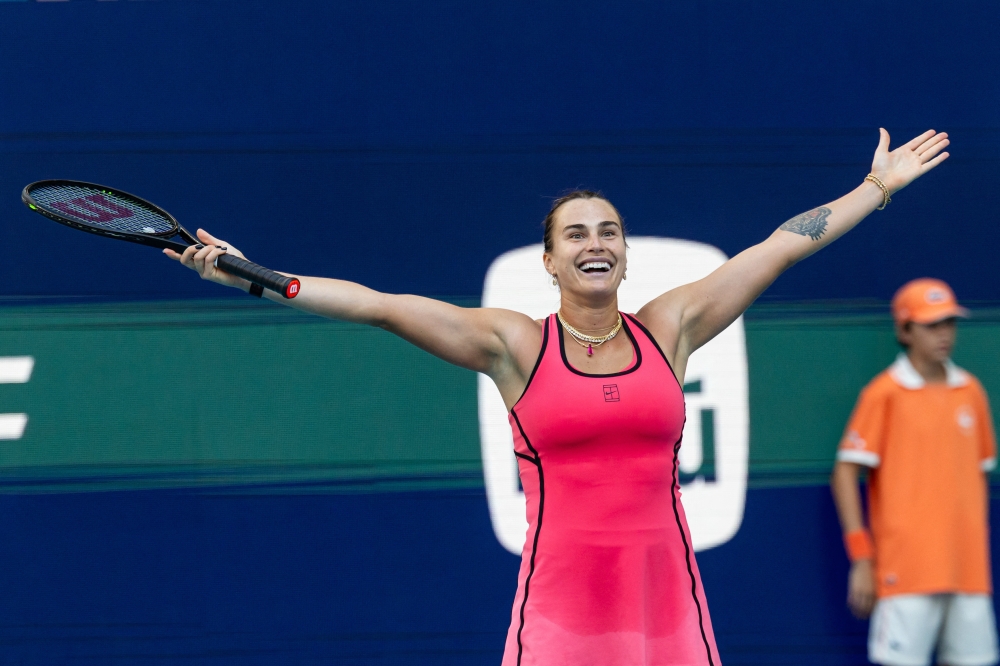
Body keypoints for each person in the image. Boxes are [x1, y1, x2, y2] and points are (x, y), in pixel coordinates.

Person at [167, 129, 948, 665]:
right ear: (549, 260)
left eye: (608, 231)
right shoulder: (514, 344)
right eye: (576, 234)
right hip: (560, 613)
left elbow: (779, 247)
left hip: (667, 606)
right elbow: (378, 302)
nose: (595, 243)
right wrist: (258, 276)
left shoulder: (669, 329)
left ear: (625, 252)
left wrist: (876, 187)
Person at [831, 279, 998, 666]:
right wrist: (862, 557)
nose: (944, 335)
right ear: (904, 330)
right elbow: (845, 472)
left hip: (969, 573)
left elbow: (979, 475)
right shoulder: (884, 393)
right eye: (932, 325)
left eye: (949, 324)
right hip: (905, 573)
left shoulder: (971, 391)